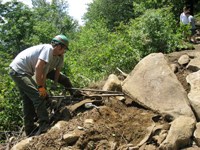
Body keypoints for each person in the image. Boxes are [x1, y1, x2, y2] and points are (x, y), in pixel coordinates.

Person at [9, 34, 75, 136]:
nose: (64, 52)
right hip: (19, 71)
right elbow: (38, 69)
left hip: (26, 71)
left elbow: (49, 72)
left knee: (28, 99)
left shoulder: (58, 55)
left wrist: (53, 85)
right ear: (59, 47)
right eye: (64, 49)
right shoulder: (48, 49)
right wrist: (41, 88)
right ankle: (44, 124)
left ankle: (29, 128)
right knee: (37, 96)